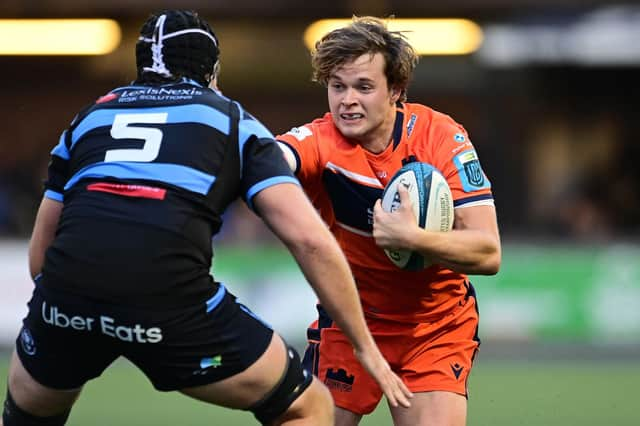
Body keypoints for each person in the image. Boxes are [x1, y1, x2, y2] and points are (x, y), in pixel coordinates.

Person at [1, 10, 412, 426]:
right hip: (169, 303)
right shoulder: (231, 121)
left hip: (67, 300)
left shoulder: (89, 119)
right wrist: (364, 346)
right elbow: (309, 241)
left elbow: (41, 258)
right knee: (309, 407)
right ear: (212, 71)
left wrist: (84, 321)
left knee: (28, 411)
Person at [276, 16, 501, 426]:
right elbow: (274, 158)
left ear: (395, 90)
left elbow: (488, 252)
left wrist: (412, 237)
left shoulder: (441, 137)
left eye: (364, 87)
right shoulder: (320, 140)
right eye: (337, 86)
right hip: (350, 324)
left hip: (435, 327)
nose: (347, 100)